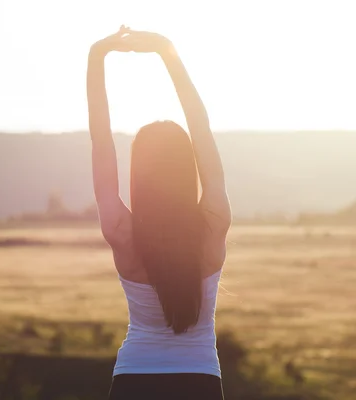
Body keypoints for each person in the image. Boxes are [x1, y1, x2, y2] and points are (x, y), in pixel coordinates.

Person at [86, 26, 232, 400]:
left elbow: (101, 143)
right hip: (200, 380)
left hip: (135, 380)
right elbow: (202, 129)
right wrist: (168, 54)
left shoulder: (121, 230)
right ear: (189, 169)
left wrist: (97, 58)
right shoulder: (213, 221)